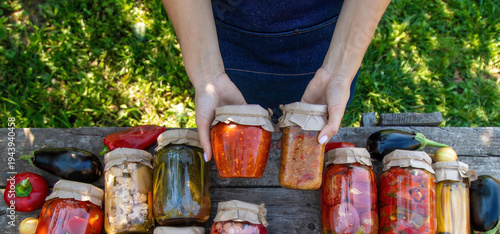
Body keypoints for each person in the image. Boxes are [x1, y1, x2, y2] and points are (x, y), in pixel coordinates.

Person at [161, 0, 391, 162]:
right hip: (223, 39)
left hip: (330, 40)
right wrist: (207, 75)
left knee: (319, 123)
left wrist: (339, 72)